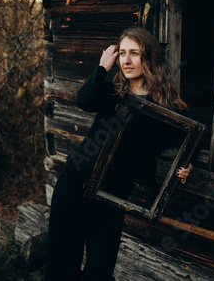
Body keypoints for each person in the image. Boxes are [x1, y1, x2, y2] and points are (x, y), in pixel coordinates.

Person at [45, 26, 195, 281]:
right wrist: (102, 67)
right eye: (122, 53)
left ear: (148, 58)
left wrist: (187, 163)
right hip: (75, 182)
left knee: (99, 271)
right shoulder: (109, 91)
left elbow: (194, 134)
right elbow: (84, 101)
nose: (126, 60)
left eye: (134, 53)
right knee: (61, 266)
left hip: (112, 194)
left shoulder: (163, 105)